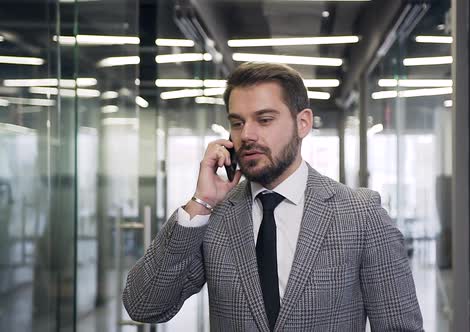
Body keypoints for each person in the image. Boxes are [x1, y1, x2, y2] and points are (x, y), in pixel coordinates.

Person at [123, 62, 423, 331]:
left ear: (302, 123)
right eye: (238, 123)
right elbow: (146, 306)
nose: (247, 135)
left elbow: (398, 326)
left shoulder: (360, 213)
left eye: (264, 120)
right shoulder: (215, 217)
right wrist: (201, 203)